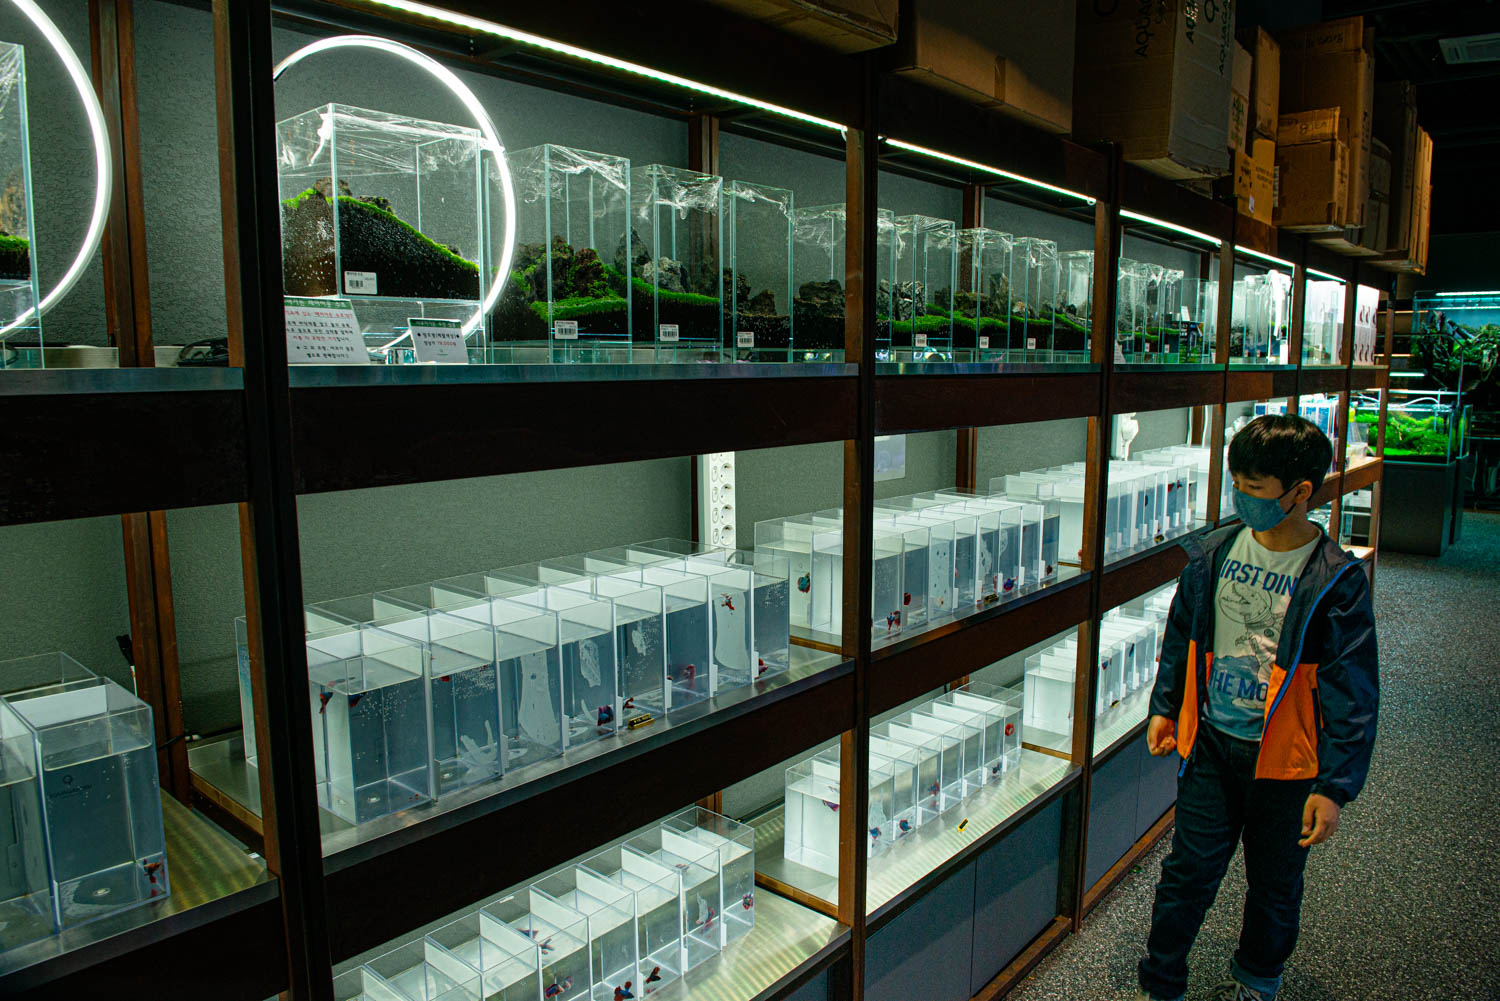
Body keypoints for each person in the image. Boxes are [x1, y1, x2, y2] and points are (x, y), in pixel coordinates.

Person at [1133, 415, 1379, 1001]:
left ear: (1300, 491)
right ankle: (1161, 981)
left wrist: (1334, 786)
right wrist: (1165, 705)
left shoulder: (1334, 579)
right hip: (1213, 747)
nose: (1242, 496)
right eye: (1237, 483)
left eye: (1256, 487)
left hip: (1288, 765)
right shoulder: (1214, 553)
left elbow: (1353, 689)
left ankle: (1257, 980)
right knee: (1187, 873)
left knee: (1274, 884)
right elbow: (1182, 635)